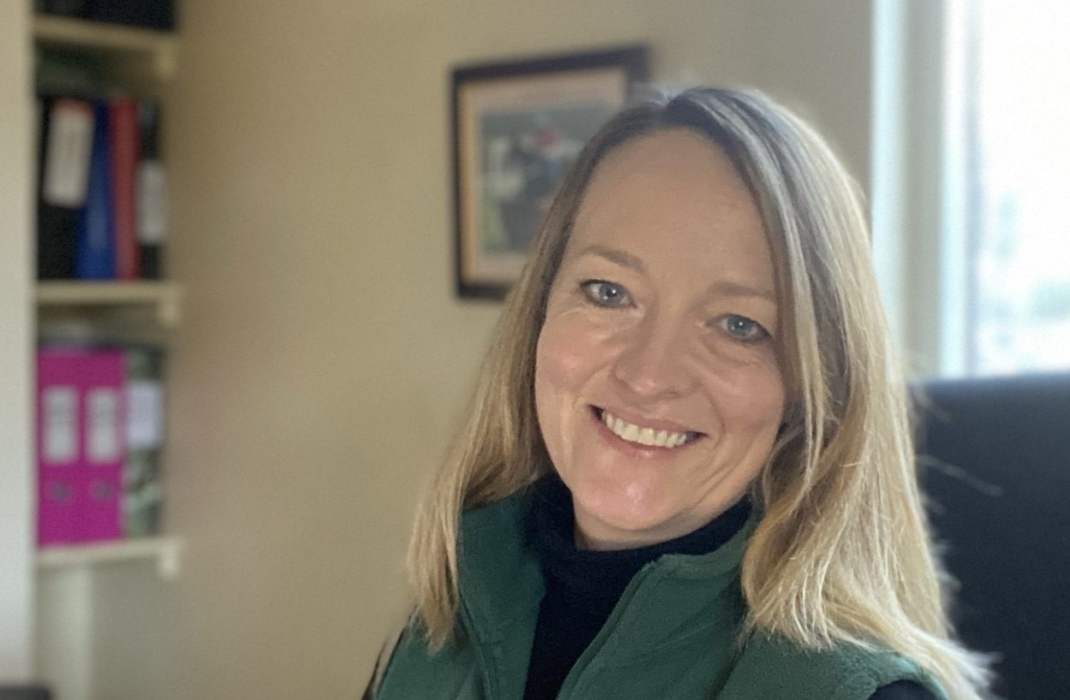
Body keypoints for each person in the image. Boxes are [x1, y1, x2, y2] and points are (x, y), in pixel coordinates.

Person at [370, 86, 990, 700]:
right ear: (541, 310)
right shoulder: (443, 625)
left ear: (811, 389)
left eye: (738, 325)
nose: (649, 375)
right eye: (609, 292)